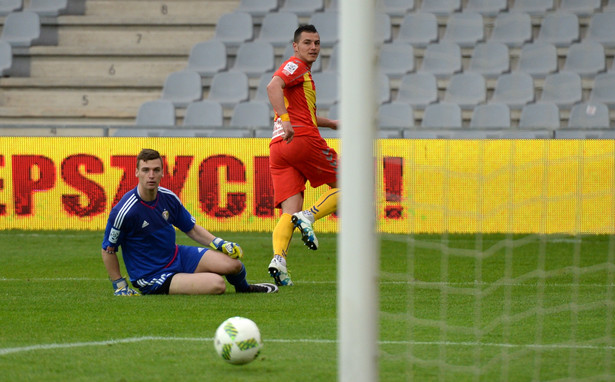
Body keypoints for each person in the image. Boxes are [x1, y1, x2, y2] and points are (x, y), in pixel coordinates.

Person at [101, 148, 278, 296]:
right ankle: (186, 280)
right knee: (217, 284)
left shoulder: (168, 197)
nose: (151, 175)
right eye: (146, 170)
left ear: (163, 172)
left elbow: (191, 228)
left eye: (156, 170)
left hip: (176, 256)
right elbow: (108, 249)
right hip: (152, 275)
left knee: (234, 265)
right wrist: (120, 285)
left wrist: (219, 243)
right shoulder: (124, 211)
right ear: (137, 172)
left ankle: (244, 289)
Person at [266, 24, 340, 286]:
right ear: (295, 46)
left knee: (289, 210)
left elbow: (301, 111)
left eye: (317, 43)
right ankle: (308, 217)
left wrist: (330, 123)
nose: (313, 47)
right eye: (307, 42)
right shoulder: (295, 66)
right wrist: (286, 120)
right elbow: (272, 86)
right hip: (301, 140)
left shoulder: (302, 74)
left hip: (279, 148)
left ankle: (279, 261)